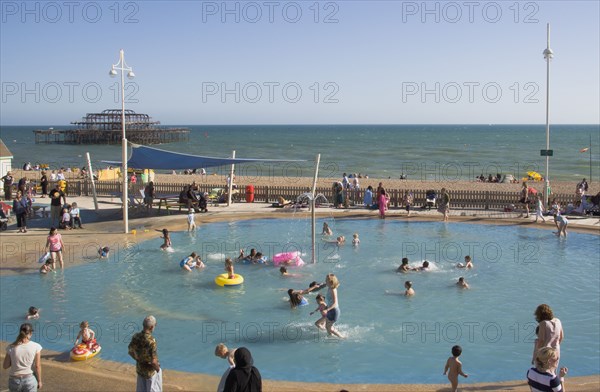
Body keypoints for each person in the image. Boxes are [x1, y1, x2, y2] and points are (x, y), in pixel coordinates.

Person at [2, 323, 43, 391]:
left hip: (14, 381)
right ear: (30, 333)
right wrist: (39, 381)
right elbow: (37, 366)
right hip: (29, 380)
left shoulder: (11, 347)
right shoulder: (36, 346)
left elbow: (5, 366)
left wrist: (15, 359)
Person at [128, 315, 162, 392]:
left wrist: (139, 359)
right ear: (151, 327)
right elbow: (153, 361)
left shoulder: (136, 336)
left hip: (140, 369)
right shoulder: (151, 341)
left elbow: (130, 351)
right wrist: (158, 369)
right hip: (150, 372)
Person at [532, 304, 564, 371]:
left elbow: (541, 341)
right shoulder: (558, 321)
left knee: (542, 372)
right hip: (556, 351)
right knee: (553, 371)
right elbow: (561, 337)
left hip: (545, 353)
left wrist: (536, 356)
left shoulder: (543, 323)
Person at [323, 273, 343, 338]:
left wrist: (327, 309)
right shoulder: (329, 288)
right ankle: (330, 338)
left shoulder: (333, 290)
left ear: (331, 282)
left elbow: (335, 303)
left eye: (326, 280)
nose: (325, 281)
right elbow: (330, 301)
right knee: (327, 327)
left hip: (334, 311)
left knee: (330, 328)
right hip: (330, 310)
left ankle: (342, 337)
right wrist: (326, 307)